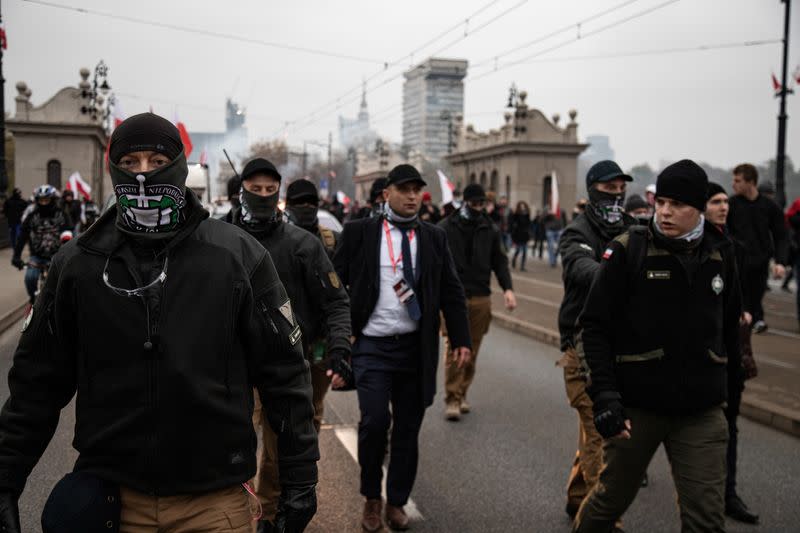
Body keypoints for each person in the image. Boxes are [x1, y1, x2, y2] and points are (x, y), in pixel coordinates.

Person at [0, 113, 319, 533]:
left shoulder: (238, 256)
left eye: (156, 160)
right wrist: (6, 478)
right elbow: (36, 386)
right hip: (114, 505)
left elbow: (284, 378)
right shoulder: (77, 264)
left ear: (179, 167)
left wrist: (299, 479)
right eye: (130, 163)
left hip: (213, 504)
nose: (144, 175)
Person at [574, 160, 742, 533]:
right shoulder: (628, 250)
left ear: (698, 207)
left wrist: (731, 396)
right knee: (609, 503)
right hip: (637, 408)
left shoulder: (722, 253)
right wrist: (605, 397)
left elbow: (730, 328)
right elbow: (594, 327)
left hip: (701, 409)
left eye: (677, 204)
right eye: (661, 201)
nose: (665, 212)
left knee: (706, 519)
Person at [333, 164, 471, 532]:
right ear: (386, 194)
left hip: (415, 349)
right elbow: (334, 287)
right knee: (375, 422)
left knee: (408, 430)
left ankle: (396, 501)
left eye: (417, 190)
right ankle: (371, 499)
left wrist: (460, 338)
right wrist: (337, 337)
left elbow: (451, 290)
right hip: (372, 347)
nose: (412, 196)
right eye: (405, 189)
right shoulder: (360, 233)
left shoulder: (433, 237)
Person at [229, 159, 351, 532]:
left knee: (283, 446)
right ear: (242, 189)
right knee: (234, 439)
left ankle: (266, 513)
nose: (263, 196)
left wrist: (340, 347)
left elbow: (335, 300)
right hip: (231, 364)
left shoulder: (304, 245)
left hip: (289, 365)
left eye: (270, 190)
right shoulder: (217, 239)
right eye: (256, 188)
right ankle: (231, 513)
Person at [556, 160, 635, 523]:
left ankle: (577, 496)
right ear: (592, 190)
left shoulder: (634, 230)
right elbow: (580, 268)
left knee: (592, 429)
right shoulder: (577, 231)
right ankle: (603, 519)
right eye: (608, 189)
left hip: (621, 345)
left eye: (621, 189)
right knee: (600, 433)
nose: (616, 195)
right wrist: (617, 274)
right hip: (582, 345)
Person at [706, 182, 760, 524]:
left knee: (730, 425)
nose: (724, 207)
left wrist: (751, 311)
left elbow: (748, 293)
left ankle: (728, 494)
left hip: (732, 349)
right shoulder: (696, 247)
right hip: (702, 354)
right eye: (715, 201)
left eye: (726, 201)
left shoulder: (736, 248)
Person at [439, 183, 516, 421]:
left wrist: (508, 289)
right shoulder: (445, 228)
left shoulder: (490, 229)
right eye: (474, 204)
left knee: (472, 349)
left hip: (481, 296)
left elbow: (500, 262)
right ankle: (451, 398)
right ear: (465, 202)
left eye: (482, 204)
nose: (479, 208)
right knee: (455, 346)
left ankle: (462, 393)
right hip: (454, 297)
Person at [728, 163, 789, 333]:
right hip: (737, 261)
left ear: (750, 182)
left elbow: (781, 235)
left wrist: (780, 262)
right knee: (741, 294)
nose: (734, 184)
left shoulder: (770, 207)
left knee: (757, 293)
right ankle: (751, 321)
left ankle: (756, 319)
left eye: (738, 180)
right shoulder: (730, 204)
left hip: (760, 260)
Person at [11, 185, 72, 305]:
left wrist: (67, 248)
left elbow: (69, 230)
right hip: (37, 256)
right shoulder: (32, 216)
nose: (44, 203)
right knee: (30, 278)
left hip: (57, 256)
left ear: (53, 200)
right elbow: (23, 236)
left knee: (62, 282)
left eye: (47, 200)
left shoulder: (61, 214)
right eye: (41, 200)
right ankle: (33, 301)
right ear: (37, 200)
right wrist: (16, 256)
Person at [285, 179, 338, 258]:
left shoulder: (333, 240)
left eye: (311, 201)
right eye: (300, 201)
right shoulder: (276, 238)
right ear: (288, 205)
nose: (306, 205)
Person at [510, 201, 532, 271]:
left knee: (525, 251)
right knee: (518, 250)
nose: (523, 208)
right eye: (521, 206)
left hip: (525, 235)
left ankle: (522, 266)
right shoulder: (516, 214)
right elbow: (512, 223)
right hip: (518, 235)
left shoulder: (527, 215)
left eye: (524, 206)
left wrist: (529, 234)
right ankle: (514, 259)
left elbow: (529, 225)